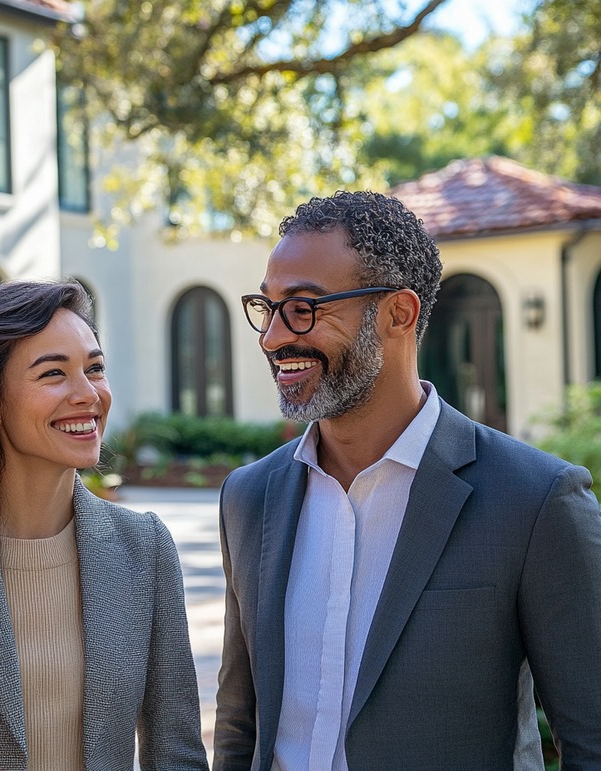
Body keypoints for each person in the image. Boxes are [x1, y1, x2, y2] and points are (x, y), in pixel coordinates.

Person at [214, 190, 601, 770]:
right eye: (267, 308)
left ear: (399, 313)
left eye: (304, 307)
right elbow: (240, 727)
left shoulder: (536, 500)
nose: (273, 337)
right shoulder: (248, 497)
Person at [0, 279, 209, 771]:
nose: (88, 394)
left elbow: (175, 752)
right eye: (54, 374)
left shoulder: (144, 549)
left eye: (95, 369)